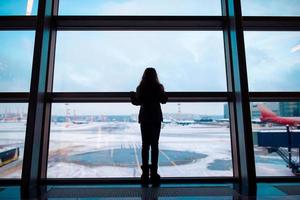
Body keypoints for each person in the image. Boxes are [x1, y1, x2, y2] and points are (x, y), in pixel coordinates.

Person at [130, 67, 168, 187]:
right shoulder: (159, 87)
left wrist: (132, 96)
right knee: (155, 146)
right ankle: (154, 174)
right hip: (155, 118)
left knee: (145, 146)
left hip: (145, 119)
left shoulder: (141, 88)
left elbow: (137, 101)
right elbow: (163, 100)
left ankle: (145, 174)